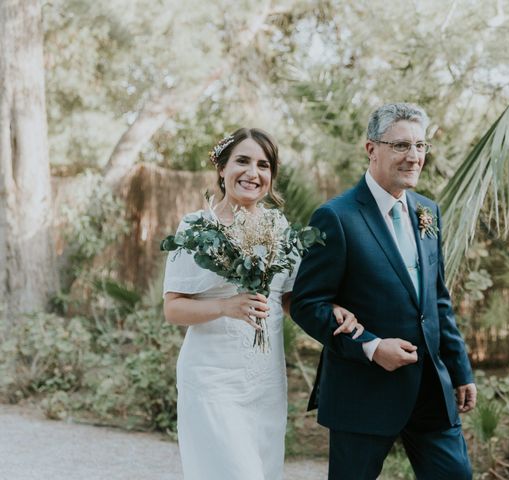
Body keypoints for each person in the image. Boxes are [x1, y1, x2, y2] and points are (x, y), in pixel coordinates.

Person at [162, 127, 362, 480]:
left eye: (263, 165)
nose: (253, 173)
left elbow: (290, 299)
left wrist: (330, 310)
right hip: (212, 379)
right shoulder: (196, 226)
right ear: (222, 168)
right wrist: (227, 306)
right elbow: (173, 308)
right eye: (242, 161)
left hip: (266, 381)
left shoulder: (279, 226)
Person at [290, 103, 477, 479]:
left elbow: (437, 299)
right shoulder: (336, 217)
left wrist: (460, 369)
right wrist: (373, 347)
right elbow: (307, 303)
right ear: (371, 149)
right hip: (363, 393)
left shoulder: (428, 211)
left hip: (429, 389)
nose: (414, 157)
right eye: (401, 146)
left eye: (420, 146)